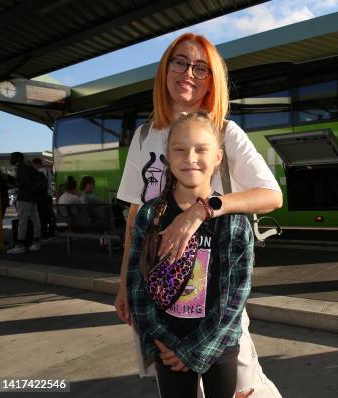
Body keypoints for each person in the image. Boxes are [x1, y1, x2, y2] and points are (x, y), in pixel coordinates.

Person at [115, 33, 283, 398]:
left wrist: (202, 210)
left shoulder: (224, 131)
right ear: (165, 69)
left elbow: (271, 196)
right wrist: (123, 285)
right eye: (179, 62)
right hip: (161, 296)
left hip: (214, 301)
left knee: (245, 389)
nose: (188, 72)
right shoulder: (144, 135)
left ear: (212, 79)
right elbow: (133, 214)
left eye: (200, 67)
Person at [128, 112, 252, 398]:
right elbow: (137, 285)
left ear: (219, 157)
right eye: (179, 149)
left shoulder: (233, 220)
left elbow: (235, 297)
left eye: (201, 149)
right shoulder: (150, 214)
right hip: (167, 344)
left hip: (218, 344)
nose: (190, 157)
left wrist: (191, 351)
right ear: (167, 158)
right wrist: (165, 341)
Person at [7, 152, 42, 254]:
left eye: (12, 157)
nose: (10, 159)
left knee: (22, 221)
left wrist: (12, 181)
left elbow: (23, 183)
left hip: (24, 198)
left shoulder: (21, 168)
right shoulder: (30, 168)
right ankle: (36, 242)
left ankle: (20, 245)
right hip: (32, 198)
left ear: (17, 159)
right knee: (35, 219)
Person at [32, 158, 56, 239]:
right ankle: (51, 233)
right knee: (49, 215)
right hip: (49, 196)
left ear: (37, 164)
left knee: (42, 216)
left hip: (43, 197)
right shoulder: (48, 171)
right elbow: (52, 180)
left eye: (34, 165)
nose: (34, 167)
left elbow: (39, 185)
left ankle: (44, 234)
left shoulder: (39, 172)